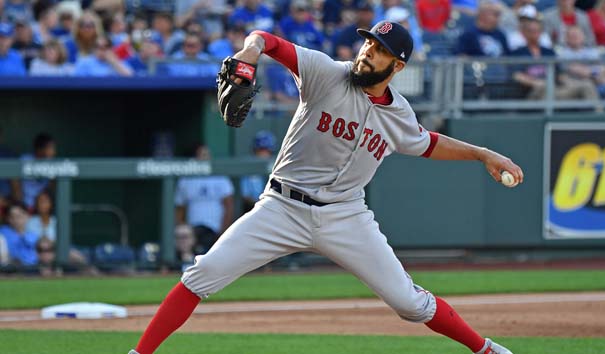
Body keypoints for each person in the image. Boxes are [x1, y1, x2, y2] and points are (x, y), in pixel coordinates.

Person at [128, 20, 521, 354]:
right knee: (202, 273)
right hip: (281, 206)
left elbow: (428, 142)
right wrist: (250, 51)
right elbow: (265, 39)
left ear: (398, 65)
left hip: (345, 215)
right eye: (368, 41)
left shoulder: (399, 114)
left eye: (379, 48)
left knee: (409, 302)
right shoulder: (325, 72)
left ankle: (486, 349)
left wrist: (483, 153)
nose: (367, 50)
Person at [511, 16, 600, 101]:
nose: (535, 33)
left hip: (554, 91)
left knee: (587, 85)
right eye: (531, 31)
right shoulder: (517, 53)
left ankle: (600, 116)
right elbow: (517, 76)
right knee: (543, 87)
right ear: (523, 33)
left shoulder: (549, 52)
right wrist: (537, 83)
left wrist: (572, 84)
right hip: (531, 94)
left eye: (537, 31)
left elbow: (560, 75)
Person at [175, 144, 234, 254]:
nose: (205, 158)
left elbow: (229, 206)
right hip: (192, 230)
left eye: (207, 155)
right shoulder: (186, 179)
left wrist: (223, 232)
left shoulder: (219, 177)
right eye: (202, 154)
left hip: (214, 228)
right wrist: (181, 228)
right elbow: (180, 209)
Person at [556, 26, 605, 98]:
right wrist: (595, 72)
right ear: (566, 39)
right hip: (577, 85)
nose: (575, 37)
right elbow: (577, 70)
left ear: (583, 36)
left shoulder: (592, 52)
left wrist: (593, 72)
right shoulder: (563, 53)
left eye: (578, 35)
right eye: (572, 35)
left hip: (598, 84)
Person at [240, 131, 276, 213]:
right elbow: (245, 196)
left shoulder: (276, 168)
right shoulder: (248, 169)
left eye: (267, 150)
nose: (264, 153)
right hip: (253, 210)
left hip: (273, 210)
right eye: (261, 150)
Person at [18, 133, 56, 210]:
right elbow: (15, 184)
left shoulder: (52, 163)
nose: (53, 152)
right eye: (50, 148)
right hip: (25, 204)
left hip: (43, 205)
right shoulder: (25, 160)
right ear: (40, 149)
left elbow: (52, 188)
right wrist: (20, 205)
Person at [0, 202, 39, 268]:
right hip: (8, 271)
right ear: (8, 218)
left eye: (19, 216)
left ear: (27, 216)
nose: (16, 220)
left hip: (33, 271)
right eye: (12, 217)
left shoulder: (34, 236)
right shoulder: (2, 233)